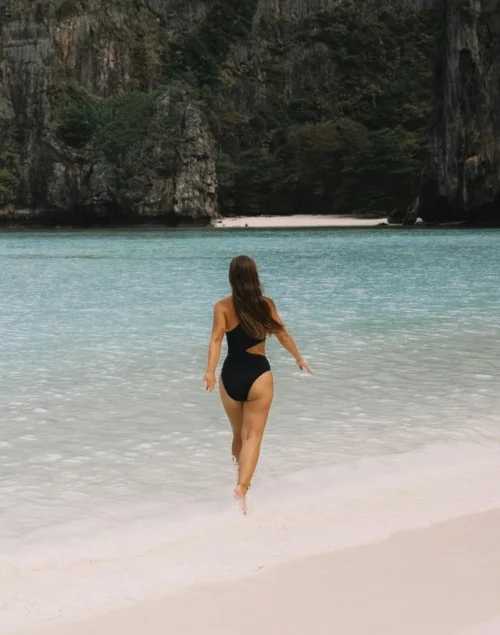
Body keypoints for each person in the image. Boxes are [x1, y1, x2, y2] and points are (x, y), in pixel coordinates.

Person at [203, 255, 312, 514]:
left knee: (238, 434)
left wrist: (209, 371)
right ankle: (242, 487)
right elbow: (282, 334)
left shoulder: (222, 307)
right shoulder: (265, 305)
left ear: (231, 277)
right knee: (253, 436)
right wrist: (299, 358)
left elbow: (217, 340)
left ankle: (237, 485)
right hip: (258, 375)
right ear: (255, 276)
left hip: (230, 375)